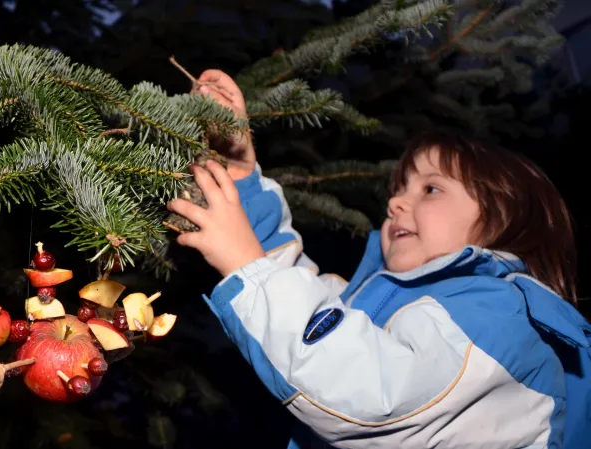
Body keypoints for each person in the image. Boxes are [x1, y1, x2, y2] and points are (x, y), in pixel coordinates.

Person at [167, 69, 591, 448]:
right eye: (400, 189)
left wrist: (246, 266)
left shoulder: (499, 317)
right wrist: (242, 177)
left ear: (505, 220)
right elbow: (299, 296)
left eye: (431, 189)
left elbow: (370, 393)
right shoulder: (386, 308)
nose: (395, 203)